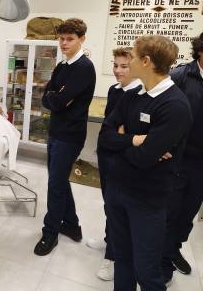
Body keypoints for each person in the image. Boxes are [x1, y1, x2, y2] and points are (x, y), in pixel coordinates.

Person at [98, 35, 192, 291]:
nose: (129, 60)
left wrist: (124, 139)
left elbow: (143, 159)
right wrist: (138, 140)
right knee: (123, 261)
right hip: (117, 192)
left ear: (146, 61)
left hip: (147, 200)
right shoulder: (133, 94)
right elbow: (104, 136)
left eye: (134, 56)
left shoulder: (175, 106)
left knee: (146, 270)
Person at [33, 18, 96, 256]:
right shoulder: (62, 66)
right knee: (58, 180)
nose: (64, 43)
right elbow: (47, 96)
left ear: (82, 39)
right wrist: (54, 97)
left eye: (70, 39)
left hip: (70, 135)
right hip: (56, 131)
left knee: (55, 184)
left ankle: (50, 233)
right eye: (61, 38)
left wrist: (54, 98)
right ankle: (72, 225)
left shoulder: (84, 68)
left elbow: (56, 101)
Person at [87, 47, 141, 281]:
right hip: (106, 154)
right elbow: (111, 129)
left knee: (118, 208)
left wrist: (119, 135)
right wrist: (116, 135)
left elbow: (128, 135)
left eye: (124, 66)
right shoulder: (114, 90)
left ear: (136, 66)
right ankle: (110, 242)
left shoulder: (139, 95)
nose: (118, 71)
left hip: (123, 159)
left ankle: (112, 256)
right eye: (115, 65)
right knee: (109, 203)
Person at [162, 32, 203, 282]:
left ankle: (173, 248)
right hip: (179, 160)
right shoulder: (179, 76)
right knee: (170, 211)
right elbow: (159, 112)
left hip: (202, 165)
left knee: (188, 213)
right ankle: (162, 261)